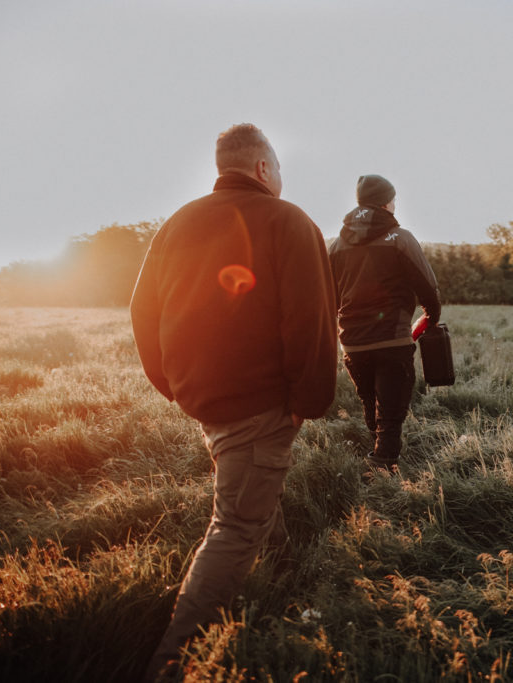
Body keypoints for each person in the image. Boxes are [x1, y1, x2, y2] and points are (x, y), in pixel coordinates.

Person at [130, 123, 337, 681]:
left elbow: (142, 312)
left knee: (250, 484)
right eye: (280, 168)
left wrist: (171, 383)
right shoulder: (288, 219)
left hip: (205, 397)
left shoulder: (176, 223)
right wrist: (308, 403)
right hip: (260, 401)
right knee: (236, 524)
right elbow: (312, 322)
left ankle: (279, 568)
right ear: (264, 169)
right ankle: (173, 659)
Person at [328, 174, 441, 472]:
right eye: (393, 199)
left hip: (351, 343)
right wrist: (431, 316)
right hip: (392, 341)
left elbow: (327, 293)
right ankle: (383, 475)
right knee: (390, 416)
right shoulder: (400, 238)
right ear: (386, 202)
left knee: (370, 403)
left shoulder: (337, 244)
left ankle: (376, 456)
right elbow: (428, 286)